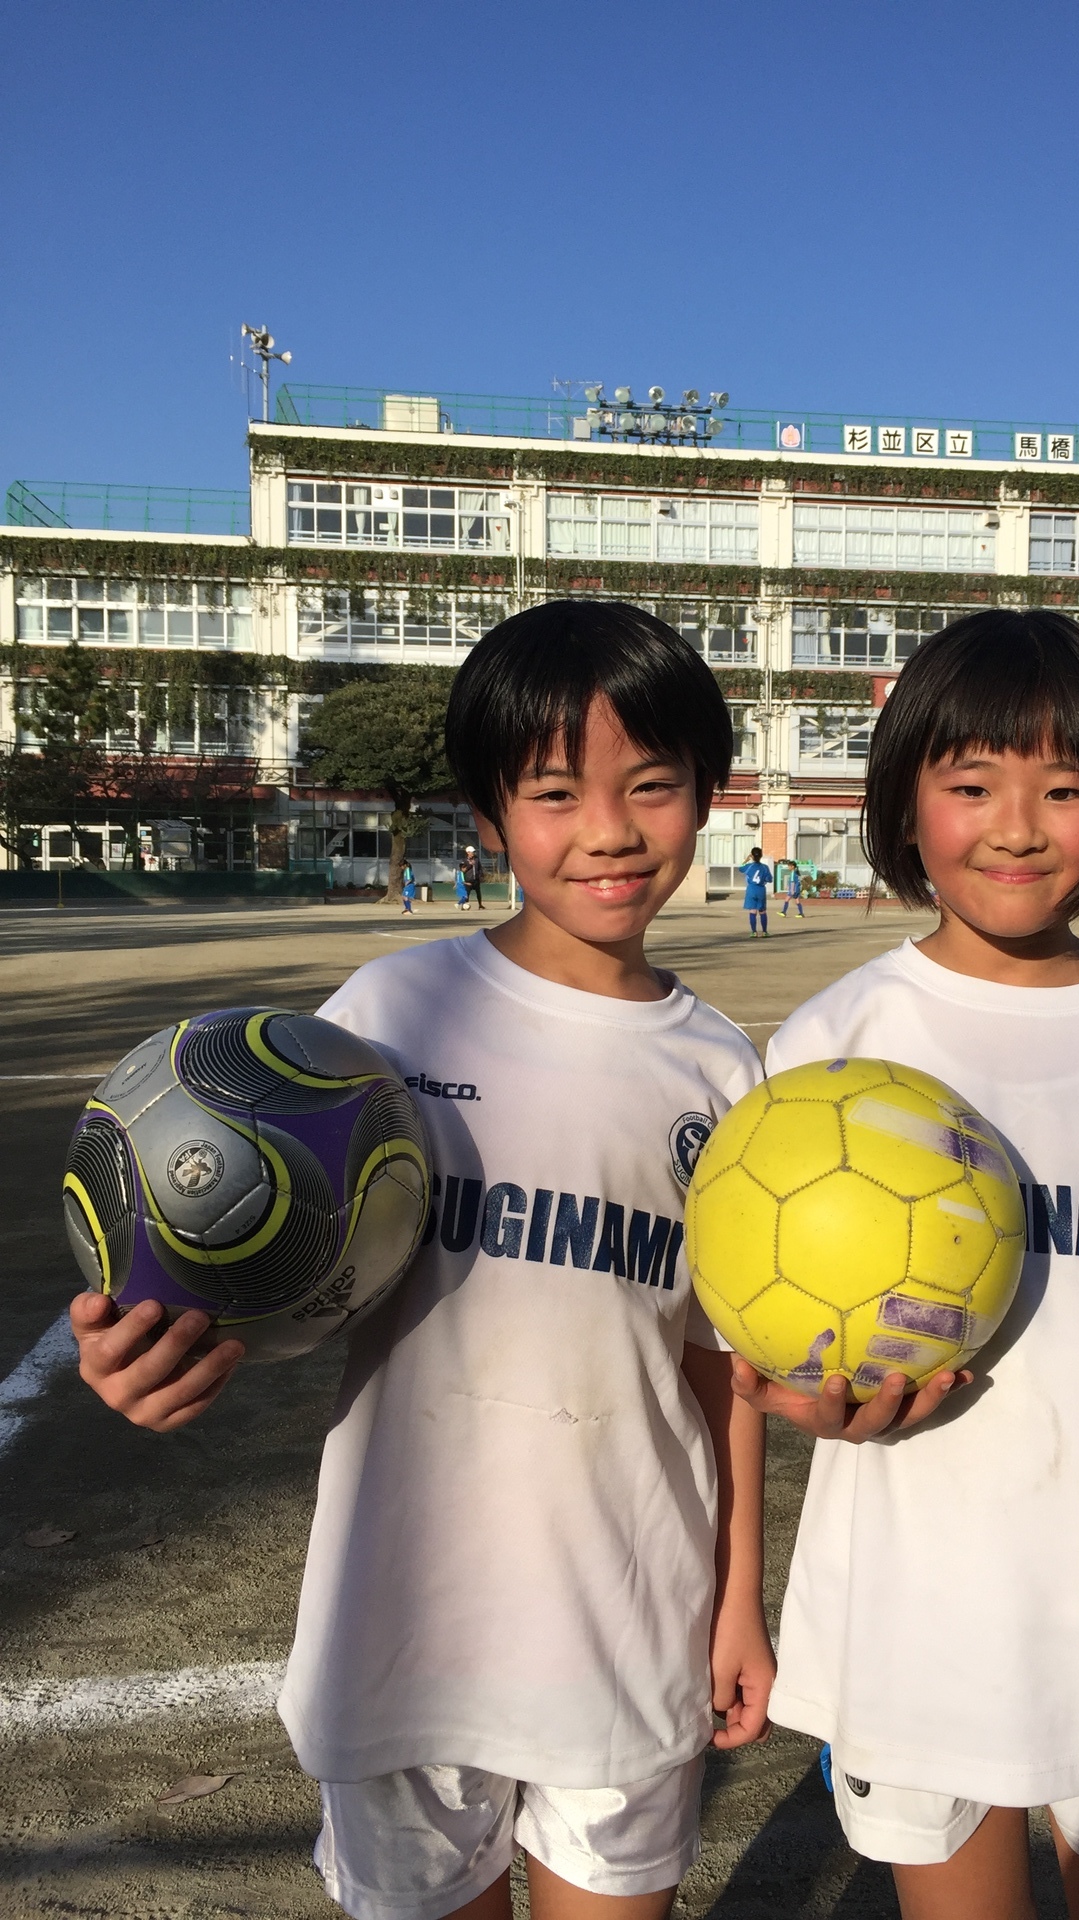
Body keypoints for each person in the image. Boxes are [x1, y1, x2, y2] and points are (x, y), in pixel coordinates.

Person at [70, 600, 776, 1920]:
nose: (611, 830)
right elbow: (248, 1264)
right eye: (556, 791)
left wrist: (738, 1597)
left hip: (628, 1602)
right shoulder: (385, 1021)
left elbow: (716, 1360)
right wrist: (153, 1347)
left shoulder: (724, 1070)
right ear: (490, 814)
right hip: (408, 1609)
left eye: (653, 786)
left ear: (705, 797)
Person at [735, 609, 1079, 1917]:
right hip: (922, 1605)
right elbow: (762, 1321)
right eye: (972, 785)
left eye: (1065, 788)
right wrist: (810, 1400)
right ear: (905, 802)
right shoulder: (835, 1041)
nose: (1018, 826)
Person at [740, 845, 772, 937]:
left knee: (752, 911)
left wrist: (746, 860)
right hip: (761, 889)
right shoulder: (765, 867)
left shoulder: (749, 866)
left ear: (752, 856)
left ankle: (754, 932)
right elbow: (769, 879)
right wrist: (764, 880)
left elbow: (740, 868)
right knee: (762, 911)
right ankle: (765, 932)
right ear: (761, 856)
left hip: (751, 890)